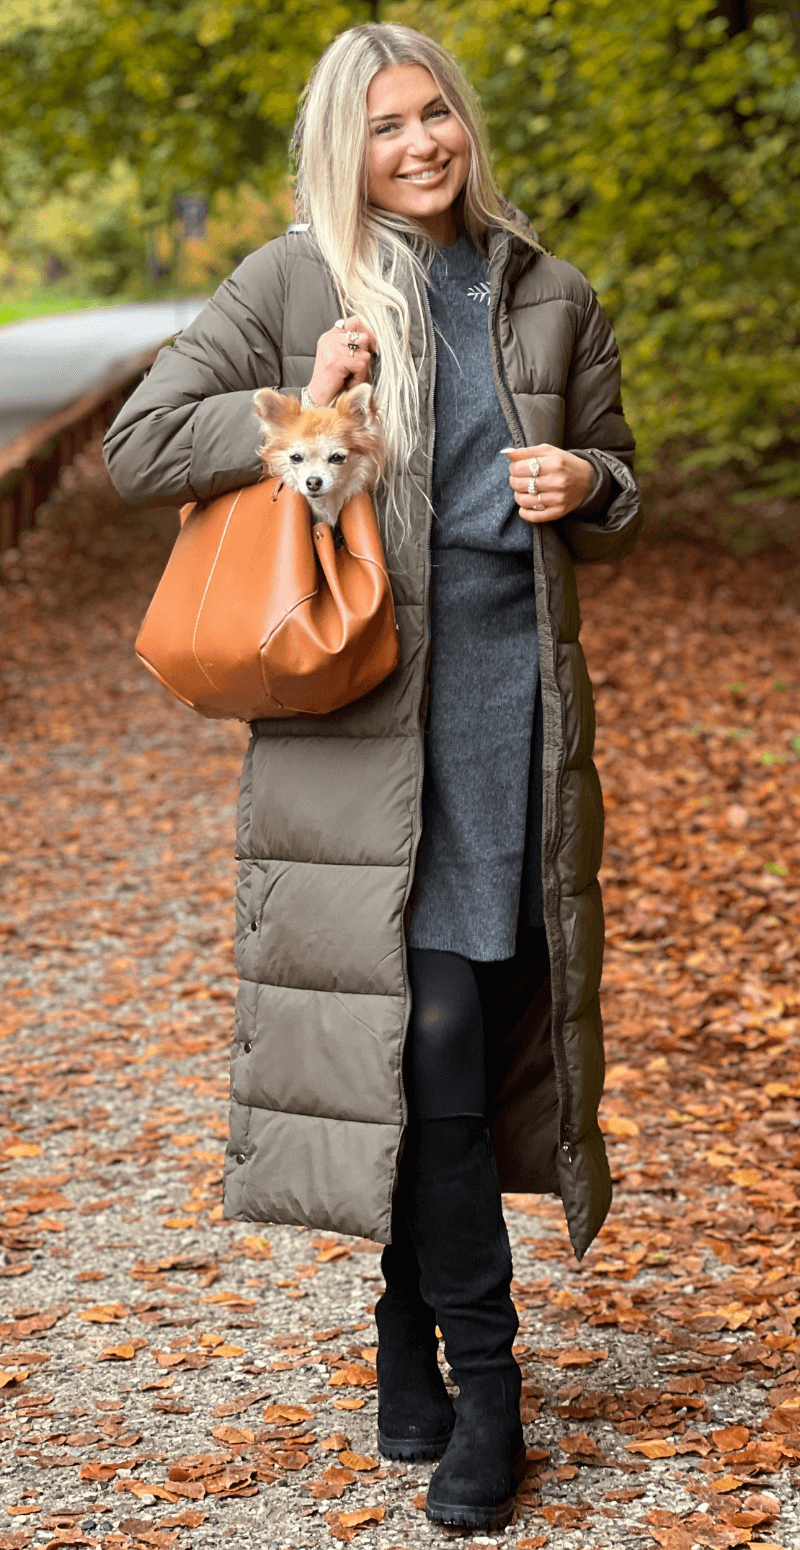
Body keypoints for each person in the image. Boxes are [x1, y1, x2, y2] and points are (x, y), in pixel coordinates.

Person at [104, 21, 641, 1532]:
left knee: (445, 1055)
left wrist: (588, 485)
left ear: (462, 123)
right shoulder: (292, 284)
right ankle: (495, 1386)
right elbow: (141, 447)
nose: (418, 146)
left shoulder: (553, 294)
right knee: (436, 1034)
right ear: (343, 147)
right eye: (383, 127)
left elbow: (625, 489)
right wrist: (295, 412)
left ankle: (408, 1330)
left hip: (507, 729)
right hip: (354, 735)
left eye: (435, 117)